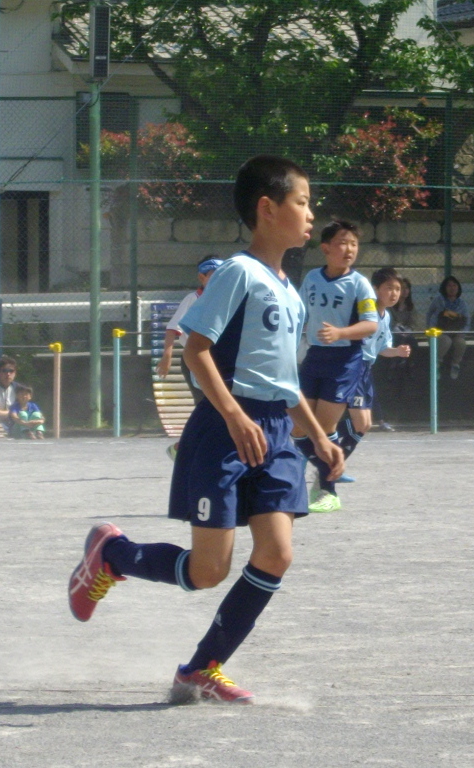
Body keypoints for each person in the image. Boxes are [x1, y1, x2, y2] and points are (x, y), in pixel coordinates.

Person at [68, 154, 343, 704]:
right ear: (268, 209)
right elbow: (197, 351)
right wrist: (235, 415)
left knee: (276, 553)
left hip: (276, 435)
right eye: (303, 202)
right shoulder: (238, 273)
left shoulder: (290, 291)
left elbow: (286, 385)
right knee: (207, 570)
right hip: (224, 430)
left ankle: (201, 667)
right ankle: (112, 555)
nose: (311, 214)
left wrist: (318, 437)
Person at [291, 220, 378, 514]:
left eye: (354, 244)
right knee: (297, 427)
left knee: (325, 427)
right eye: (343, 243)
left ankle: (328, 491)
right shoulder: (313, 278)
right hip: (314, 357)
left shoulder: (360, 284)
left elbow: (371, 324)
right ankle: (329, 468)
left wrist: (341, 333)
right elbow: (299, 313)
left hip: (345, 361)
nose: (350, 249)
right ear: (325, 248)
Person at [340, 268, 411, 460]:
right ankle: (328, 460)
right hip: (351, 367)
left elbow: (382, 348)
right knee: (361, 422)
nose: (394, 293)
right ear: (375, 289)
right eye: (389, 288)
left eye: (398, 289)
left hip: (365, 370)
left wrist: (397, 351)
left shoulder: (386, 316)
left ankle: (333, 460)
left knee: (364, 424)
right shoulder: (364, 310)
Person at [156, 256, 223, 460]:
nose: (220, 279)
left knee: (216, 407)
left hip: (217, 360)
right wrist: (167, 355)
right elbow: (172, 328)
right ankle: (185, 448)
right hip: (195, 360)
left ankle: (195, 449)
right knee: (208, 407)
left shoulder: (225, 300)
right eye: (214, 275)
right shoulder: (193, 299)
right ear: (202, 277)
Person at [426, 275, 470, 380]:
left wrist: (463, 332)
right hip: (440, 332)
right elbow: (429, 314)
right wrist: (430, 330)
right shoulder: (438, 301)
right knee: (446, 341)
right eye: (449, 286)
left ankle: (455, 365)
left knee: (461, 343)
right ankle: (437, 363)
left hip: (456, 332)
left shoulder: (462, 304)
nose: (452, 288)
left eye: (454, 285)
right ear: (444, 288)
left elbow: (467, 321)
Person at [0, 355, 22, 435]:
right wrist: (13, 413)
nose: (8, 374)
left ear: (15, 373)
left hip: (15, 423)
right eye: (4, 371)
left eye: (11, 371)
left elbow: (23, 411)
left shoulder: (20, 389)